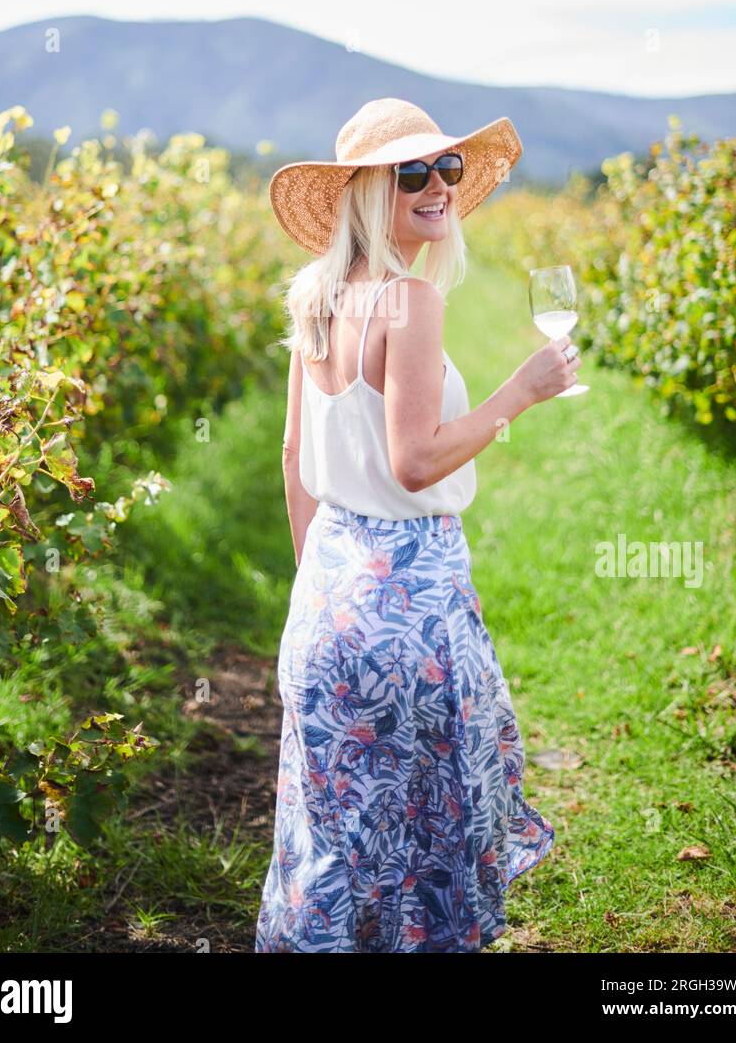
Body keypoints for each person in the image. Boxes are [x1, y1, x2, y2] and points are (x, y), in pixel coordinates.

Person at [255, 97, 580, 953]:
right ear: (368, 190)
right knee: (428, 844)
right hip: (413, 608)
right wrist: (522, 392)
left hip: (326, 597)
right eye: (412, 174)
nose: (437, 186)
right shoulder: (410, 301)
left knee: (333, 843)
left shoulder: (315, 298)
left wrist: (312, 601)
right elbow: (415, 461)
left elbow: (293, 458)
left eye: (447, 168)